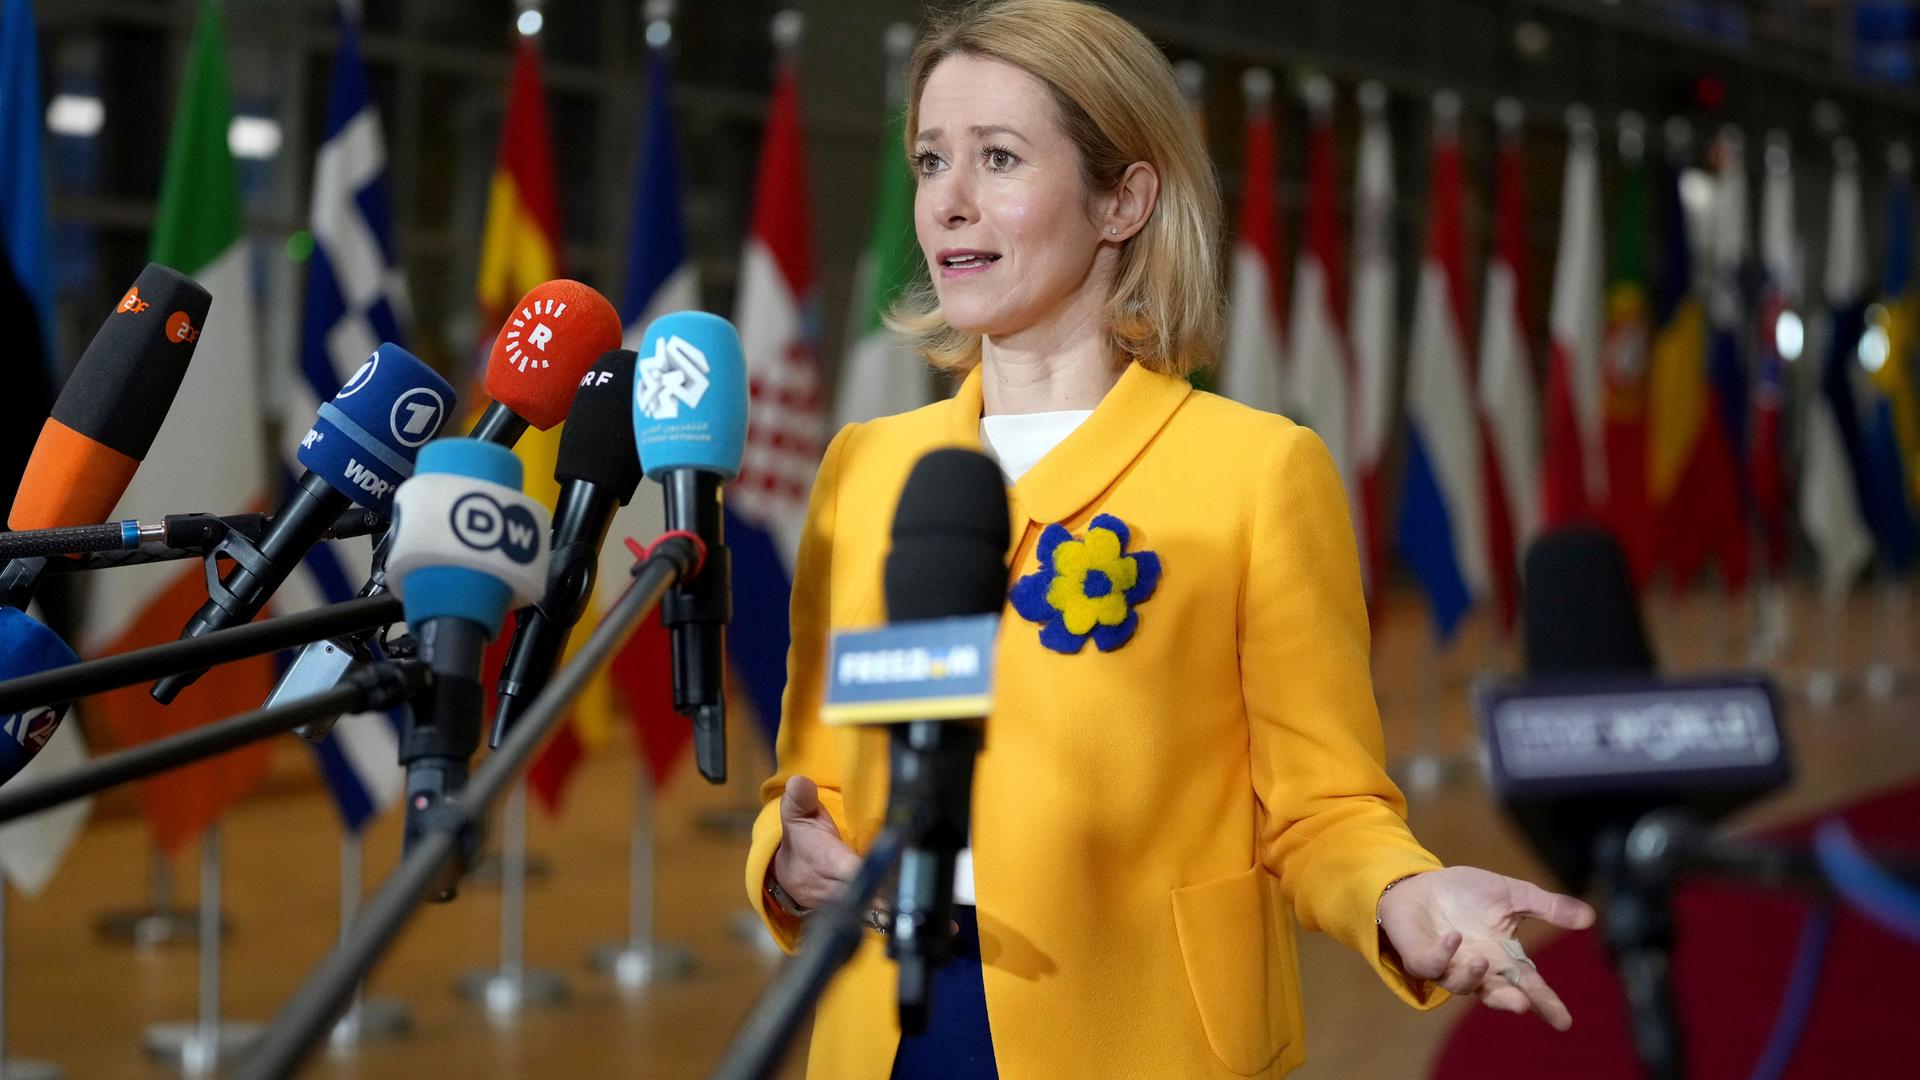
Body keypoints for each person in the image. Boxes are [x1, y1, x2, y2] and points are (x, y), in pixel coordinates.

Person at [744, 2, 1595, 1077]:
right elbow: (807, 780)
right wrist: (788, 861)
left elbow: (1323, 806)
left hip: (1145, 1038)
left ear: (1124, 200)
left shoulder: (1255, 472)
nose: (948, 204)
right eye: (929, 161)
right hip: (884, 1029)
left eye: (998, 158)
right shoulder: (864, 469)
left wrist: (1402, 889)